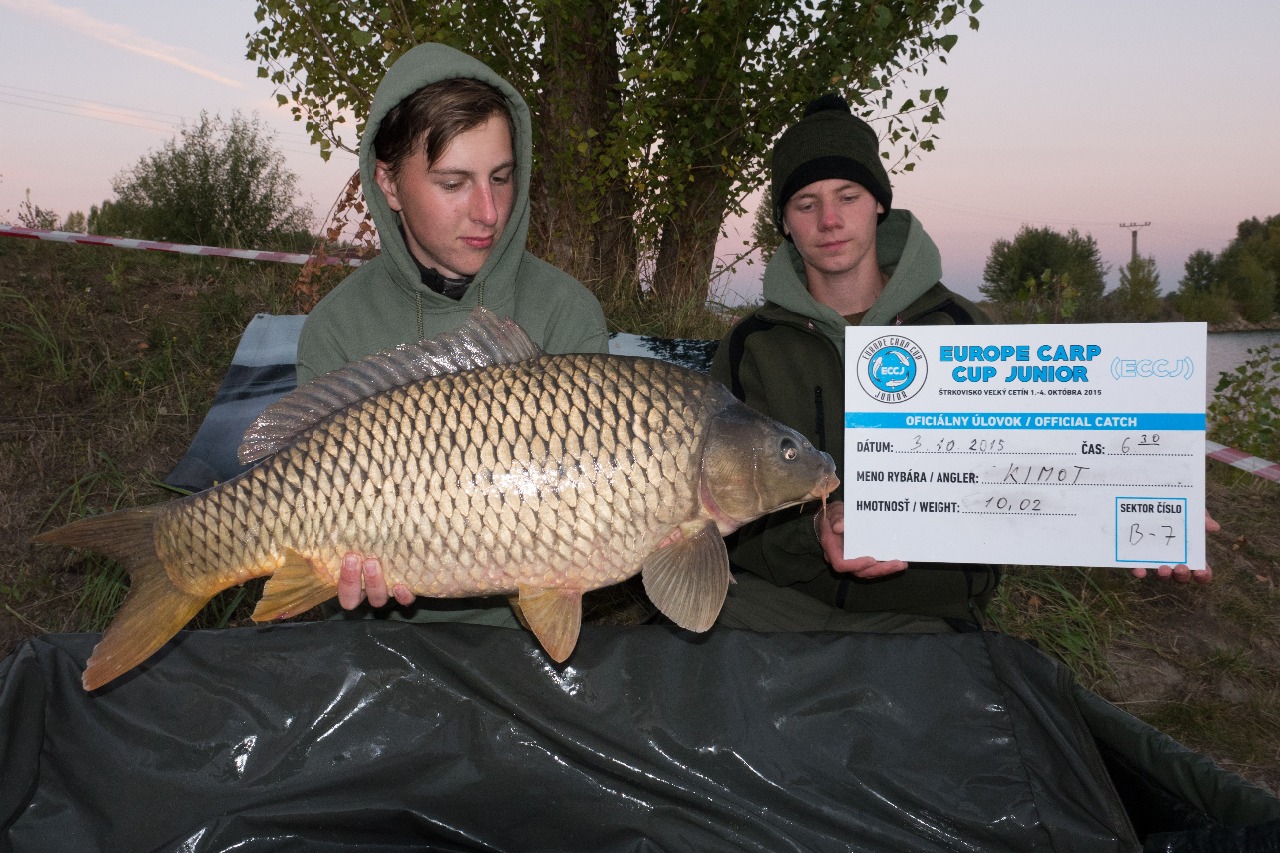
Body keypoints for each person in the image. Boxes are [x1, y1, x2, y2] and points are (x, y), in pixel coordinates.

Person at [711, 95, 1212, 634]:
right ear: (785, 223)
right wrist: (812, 535)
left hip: (930, 614)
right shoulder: (750, 346)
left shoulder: (961, 327)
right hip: (780, 612)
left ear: (878, 204)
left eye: (848, 197)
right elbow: (712, 514)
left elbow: (1042, 459)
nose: (829, 220)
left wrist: (1155, 498)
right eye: (806, 204)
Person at [295, 42, 609, 615]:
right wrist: (339, 586)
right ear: (389, 184)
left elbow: (575, 547)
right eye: (453, 183)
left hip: (516, 641)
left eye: (502, 177)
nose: (489, 211)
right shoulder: (337, 328)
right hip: (385, 640)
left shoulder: (567, 313)